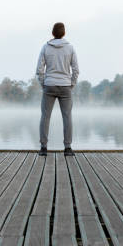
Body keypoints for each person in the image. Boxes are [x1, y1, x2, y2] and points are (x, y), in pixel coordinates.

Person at [35, 22, 79, 156]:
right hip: (65, 86)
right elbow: (76, 70)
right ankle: (68, 148)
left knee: (45, 117)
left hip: (49, 85)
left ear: (53, 33)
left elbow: (39, 70)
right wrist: (71, 84)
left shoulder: (45, 47)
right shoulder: (70, 48)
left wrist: (44, 84)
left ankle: (43, 148)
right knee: (67, 117)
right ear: (64, 33)